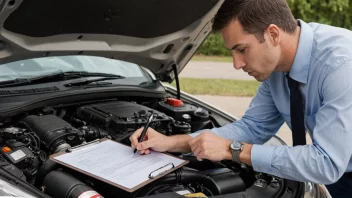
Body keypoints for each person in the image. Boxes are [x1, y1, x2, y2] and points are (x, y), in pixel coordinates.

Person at [130, 0, 352, 197]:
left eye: (242, 49)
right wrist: (171, 143)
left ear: (273, 34)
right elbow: (254, 127)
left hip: (334, 166)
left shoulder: (341, 65)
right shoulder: (275, 69)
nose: (236, 64)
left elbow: (326, 163)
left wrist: (233, 150)